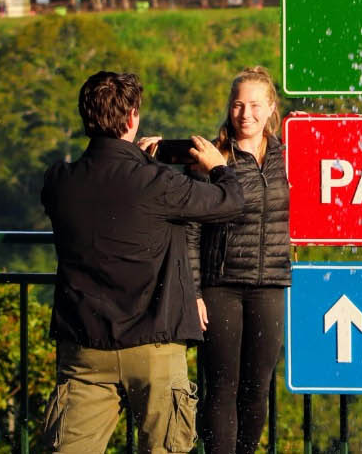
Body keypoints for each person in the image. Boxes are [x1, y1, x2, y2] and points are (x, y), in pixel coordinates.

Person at [40, 70, 245, 454]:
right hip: (155, 346)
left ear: (86, 117)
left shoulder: (60, 181)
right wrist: (218, 167)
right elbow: (230, 202)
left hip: (85, 348)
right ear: (133, 117)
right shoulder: (157, 184)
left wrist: (138, 163)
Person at [194, 67, 291, 454]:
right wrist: (195, 292)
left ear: (270, 109)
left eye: (254, 105)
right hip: (221, 285)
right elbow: (190, 229)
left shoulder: (288, 156)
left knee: (257, 389)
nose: (245, 114)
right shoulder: (212, 159)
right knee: (220, 387)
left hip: (269, 283)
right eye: (237, 104)